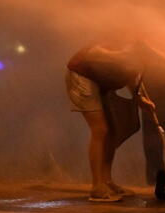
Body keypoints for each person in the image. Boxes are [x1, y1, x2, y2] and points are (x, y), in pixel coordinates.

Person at [65, 42, 155, 202]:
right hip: (83, 76)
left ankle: (106, 181)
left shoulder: (140, 51)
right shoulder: (123, 39)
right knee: (100, 130)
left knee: (112, 130)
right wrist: (124, 55)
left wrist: (139, 98)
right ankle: (96, 186)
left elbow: (130, 73)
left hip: (100, 81)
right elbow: (93, 52)